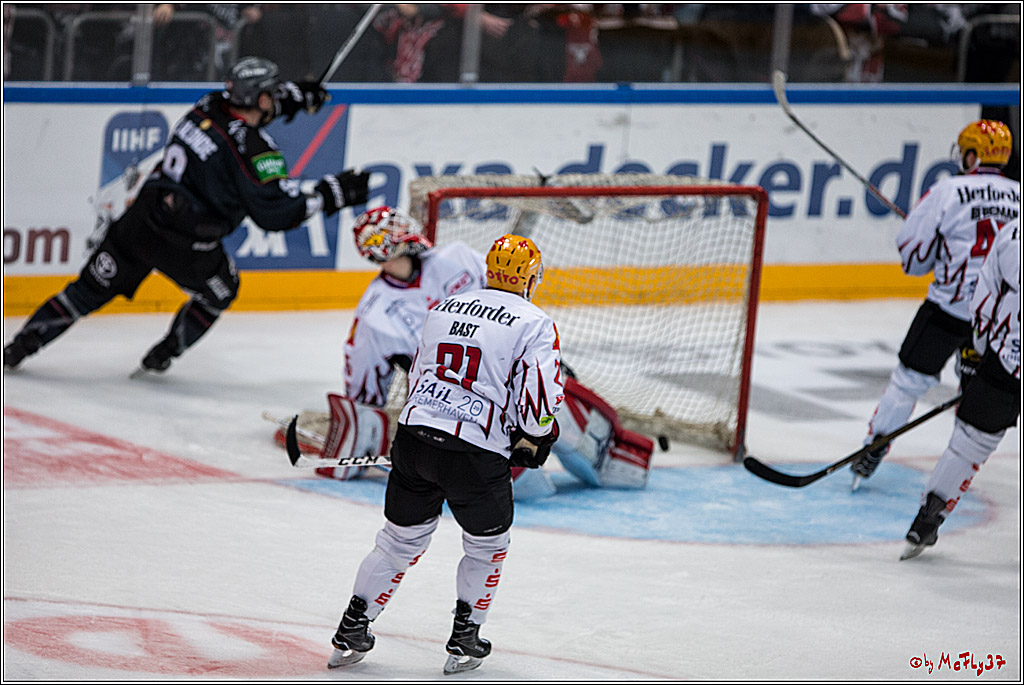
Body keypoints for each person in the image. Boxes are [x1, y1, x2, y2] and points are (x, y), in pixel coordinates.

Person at [3, 56, 370, 375]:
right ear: (258, 98)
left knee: (83, 293)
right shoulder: (257, 150)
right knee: (222, 291)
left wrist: (293, 97)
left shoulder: (206, 106)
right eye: (271, 94)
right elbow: (276, 214)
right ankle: (164, 353)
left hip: (140, 222)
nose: (274, 98)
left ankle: (17, 349)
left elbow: (245, 116)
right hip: (188, 246)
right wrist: (332, 194)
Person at [279, 206, 654, 496]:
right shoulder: (374, 313)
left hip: (509, 373)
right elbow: (362, 386)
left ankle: (610, 463)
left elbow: (511, 300)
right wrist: (365, 423)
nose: (403, 231)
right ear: (379, 247)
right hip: (459, 406)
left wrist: (540, 357)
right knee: (529, 487)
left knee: (577, 428)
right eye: (391, 230)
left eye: (398, 224)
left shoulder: (456, 258)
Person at [326, 233, 563, 675]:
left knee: (396, 543)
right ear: (531, 278)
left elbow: (418, 374)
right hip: (474, 453)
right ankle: (465, 638)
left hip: (415, 438)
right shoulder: (534, 322)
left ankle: (351, 628)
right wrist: (536, 437)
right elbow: (537, 398)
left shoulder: (442, 308)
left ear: (490, 272)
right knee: (487, 547)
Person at [850, 120, 1019, 490]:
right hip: (999, 322)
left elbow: (913, 258)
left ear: (973, 155)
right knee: (974, 395)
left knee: (908, 380)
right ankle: (952, 476)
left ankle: (873, 447)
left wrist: (939, 252)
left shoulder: (948, 191)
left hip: (950, 310)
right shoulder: (1020, 196)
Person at [900, 218, 1019, 560]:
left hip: (1009, 359)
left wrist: (981, 351)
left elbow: (984, 301)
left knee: (971, 441)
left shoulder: (1012, 232)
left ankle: (927, 518)